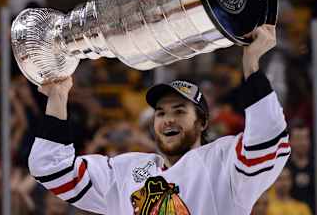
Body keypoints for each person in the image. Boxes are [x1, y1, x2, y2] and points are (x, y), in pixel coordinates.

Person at [28, 25, 291, 214]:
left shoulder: (223, 165)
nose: (168, 120)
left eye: (179, 111)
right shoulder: (125, 172)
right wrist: (58, 97)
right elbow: (51, 169)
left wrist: (251, 62)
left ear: (202, 123)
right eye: (161, 113)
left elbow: (269, 142)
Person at [286, 124, 317, 213]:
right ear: (290, 141)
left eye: (305, 138)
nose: (302, 143)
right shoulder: (283, 169)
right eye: (298, 139)